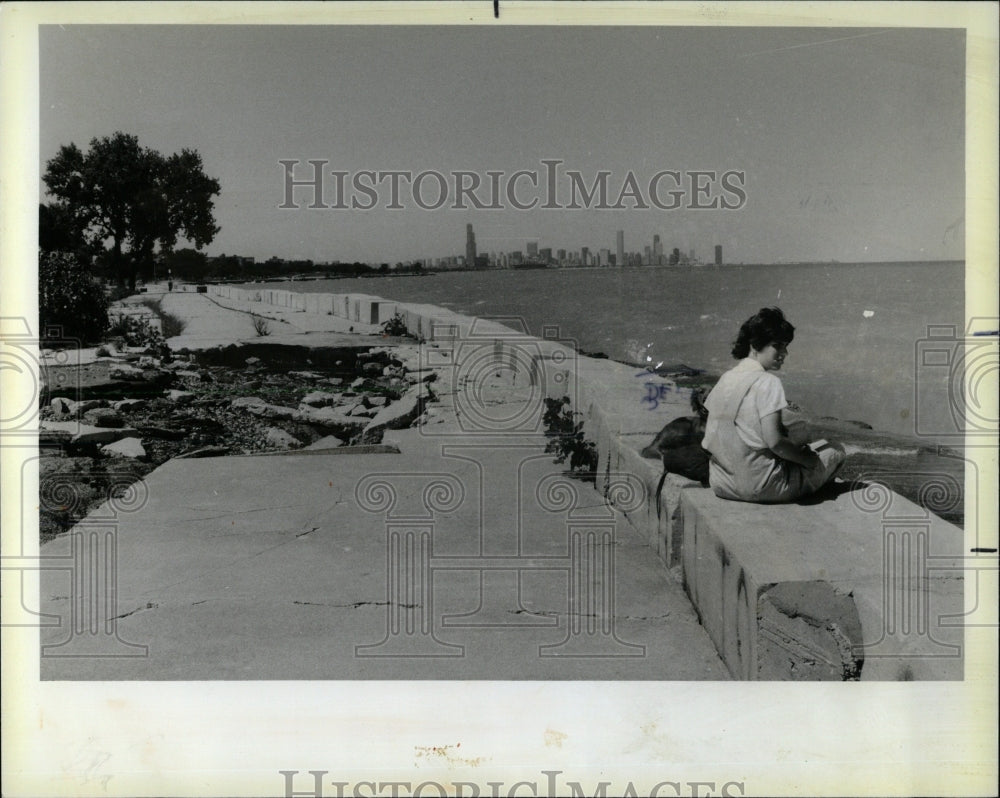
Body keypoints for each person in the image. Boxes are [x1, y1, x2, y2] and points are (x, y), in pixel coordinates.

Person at [701, 307, 845, 503]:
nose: (785, 353)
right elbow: (775, 442)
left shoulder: (727, 378)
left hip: (722, 483)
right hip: (761, 487)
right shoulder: (768, 382)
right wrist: (807, 460)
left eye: (785, 346)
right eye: (778, 346)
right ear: (755, 344)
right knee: (834, 449)